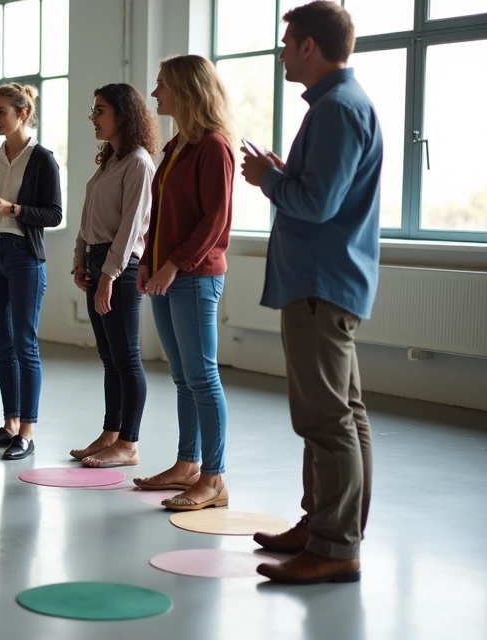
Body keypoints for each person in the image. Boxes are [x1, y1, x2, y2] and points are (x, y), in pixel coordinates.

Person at [241, 0, 380, 585]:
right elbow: (323, 191)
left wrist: (267, 180)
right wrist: (283, 175)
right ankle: (320, 526)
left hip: (321, 285)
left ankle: (334, 545)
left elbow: (317, 205)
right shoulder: (341, 106)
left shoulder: (338, 110)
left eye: (287, 42)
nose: (280, 54)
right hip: (329, 281)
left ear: (308, 47)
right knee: (343, 415)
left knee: (326, 421)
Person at [133, 55, 235, 511]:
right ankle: (186, 464)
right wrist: (147, 260)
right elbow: (161, 214)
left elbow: (215, 220)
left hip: (193, 277)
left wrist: (172, 265)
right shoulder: (177, 147)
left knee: (202, 376)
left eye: (161, 86)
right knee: (183, 378)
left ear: (187, 91)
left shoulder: (214, 146)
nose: (155, 94)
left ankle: (213, 479)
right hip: (164, 274)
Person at [0, 82, 64, 461]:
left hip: (24, 256)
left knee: (25, 344)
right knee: (3, 346)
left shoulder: (42, 160)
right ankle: (8, 424)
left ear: (22, 113)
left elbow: (54, 214)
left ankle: (27, 431)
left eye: (1, 112)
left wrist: (13, 210)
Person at [68, 84, 159, 468]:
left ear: (123, 114)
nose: (93, 117)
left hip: (119, 268)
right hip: (96, 261)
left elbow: (131, 226)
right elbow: (90, 217)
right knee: (110, 359)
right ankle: (110, 433)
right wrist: (79, 259)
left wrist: (108, 275)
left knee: (126, 358)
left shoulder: (138, 162)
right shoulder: (109, 162)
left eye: (100, 110)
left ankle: (129, 444)